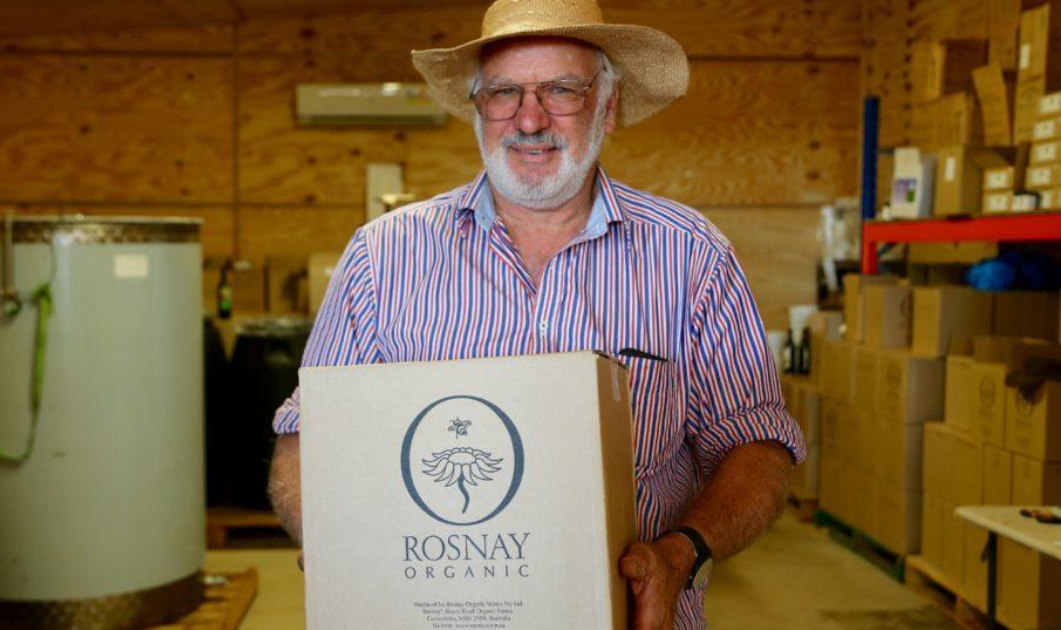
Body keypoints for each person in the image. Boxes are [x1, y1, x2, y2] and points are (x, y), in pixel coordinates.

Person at [267, 0, 805, 628]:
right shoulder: (382, 257)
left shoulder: (691, 254)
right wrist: (335, 545)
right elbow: (311, 438)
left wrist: (680, 554)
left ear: (606, 105)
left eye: (561, 90)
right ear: (478, 108)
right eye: (503, 92)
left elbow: (754, 443)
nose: (529, 118)